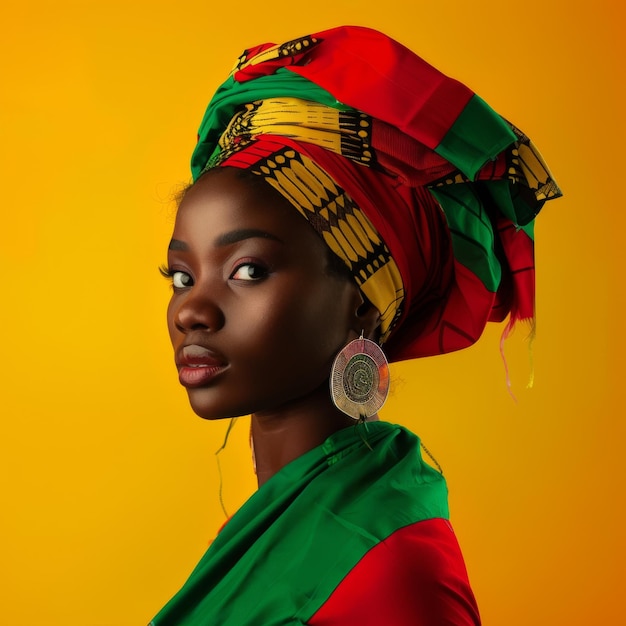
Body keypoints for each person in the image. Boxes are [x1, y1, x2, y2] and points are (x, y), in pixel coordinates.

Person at [150, 25, 561, 625]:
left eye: (247, 270)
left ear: (362, 303)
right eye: (182, 276)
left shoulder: (391, 573)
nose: (191, 310)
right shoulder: (279, 524)